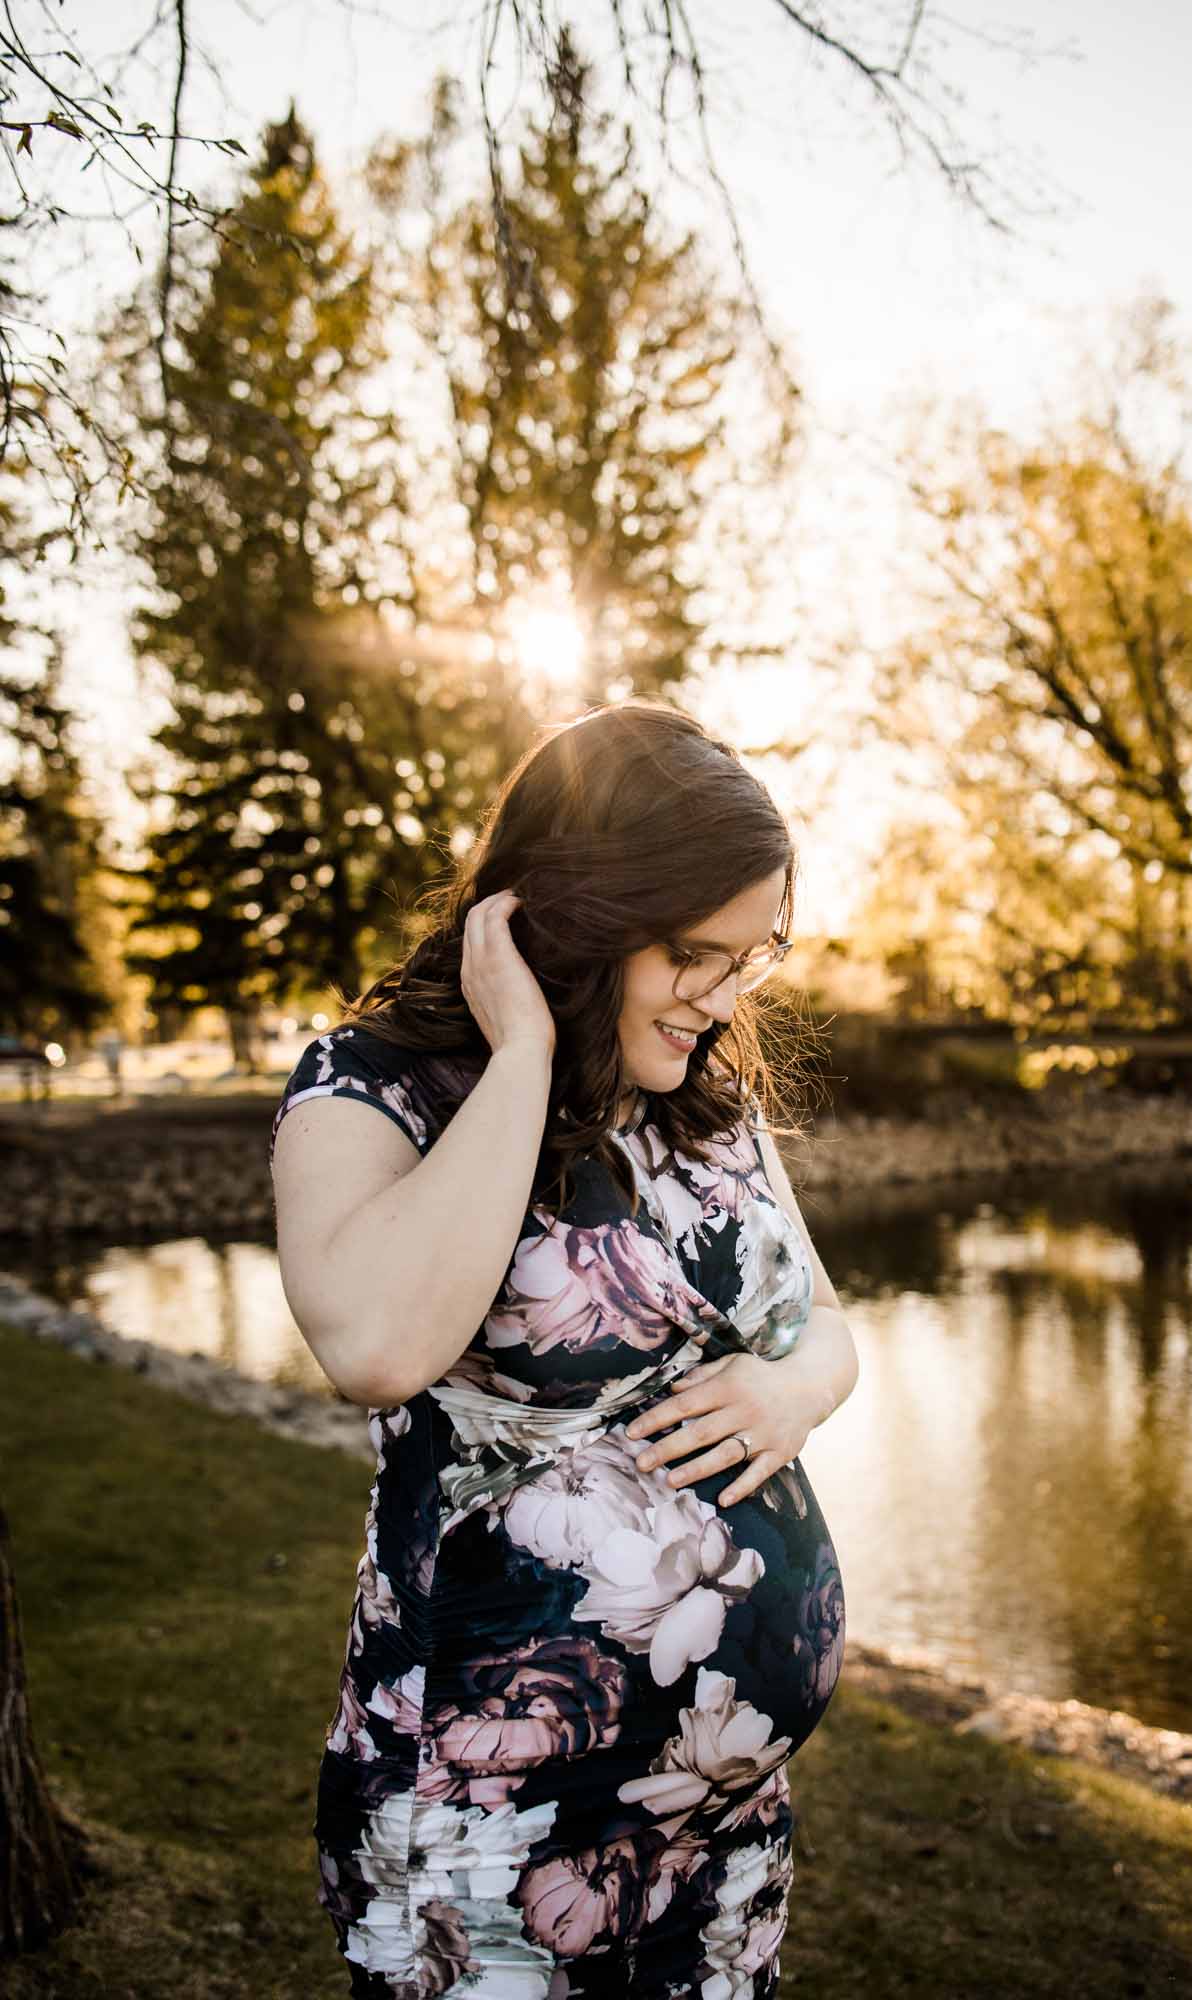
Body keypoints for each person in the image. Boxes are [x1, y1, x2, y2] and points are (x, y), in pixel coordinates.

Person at [268, 699, 858, 1999]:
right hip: (489, 1829)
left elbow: (825, 1320)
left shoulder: (704, 1101)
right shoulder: (377, 1090)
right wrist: (525, 1051)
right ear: (582, 915)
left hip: (722, 1825)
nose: (723, 998)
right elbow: (375, 1347)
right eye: (694, 954)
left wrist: (792, 1391)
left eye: (749, 958)